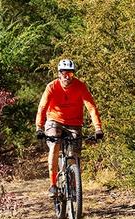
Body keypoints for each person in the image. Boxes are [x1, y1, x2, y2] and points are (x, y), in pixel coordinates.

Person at [35, 59, 104, 197]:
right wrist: (39, 127)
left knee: (73, 155)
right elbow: (42, 108)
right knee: (55, 146)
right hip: (54, 120)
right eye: (65, 73)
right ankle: (53, 185)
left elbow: (91, 107)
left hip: (74, 123)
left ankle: (73, 184)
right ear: (59, 73)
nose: (67, 77)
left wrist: (98, 128)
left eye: (71, 74)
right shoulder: (52, 87)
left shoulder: (80, 86)